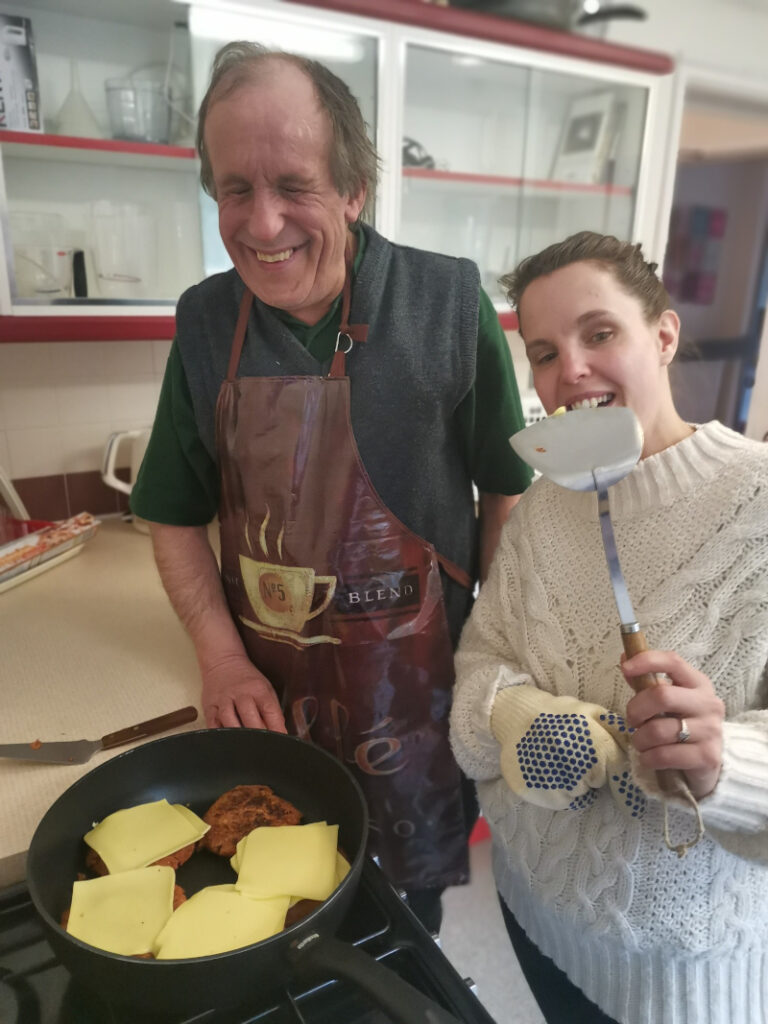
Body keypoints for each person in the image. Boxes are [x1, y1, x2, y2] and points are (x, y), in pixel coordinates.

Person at [130, 40, 532, 929]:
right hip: (269, 693)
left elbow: (506, 490)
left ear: (354, 189)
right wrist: (220, 654)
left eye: (294, 186)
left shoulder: (448, 303)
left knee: (401, 920)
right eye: (236, 188)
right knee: (268, 896)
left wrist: (492, 648)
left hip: (421, 692)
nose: (262, 224)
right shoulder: (205, 322)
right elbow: (169, 512)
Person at [450, 231, 768, 1024]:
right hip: (533, 914)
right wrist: (515, 713)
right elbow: (481, 659)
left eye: (600, 334)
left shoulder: (757, 506)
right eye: (545, 351)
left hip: (676, 981)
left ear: (663, 336)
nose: (571, 372)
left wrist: (725, 761)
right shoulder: (543, 508)